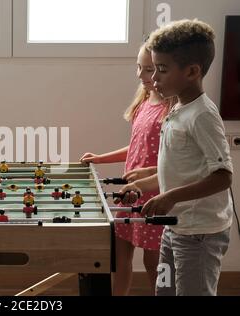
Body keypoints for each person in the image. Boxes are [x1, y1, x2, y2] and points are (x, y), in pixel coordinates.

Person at [118, 19, 233, 296]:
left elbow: (222, 176)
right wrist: (141, 187)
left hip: (199, 234)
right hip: (175, 226)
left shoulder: (202, 115)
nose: (154, 79)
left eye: (162, 70)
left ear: (192, 71)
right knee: (165, 291)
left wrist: (169, 197)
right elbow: (177, 170)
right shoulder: (177, 109)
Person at [80, 43, 176, 295]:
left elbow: (177, 163)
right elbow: (136, 147)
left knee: (153, 262)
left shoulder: (172, 109)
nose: (141, 75)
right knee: (119, 257)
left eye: (148, 69)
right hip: (129, 193)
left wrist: (146, 175)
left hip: (154, 195)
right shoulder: (143, 101)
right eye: (139, 67)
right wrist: (101, 158)